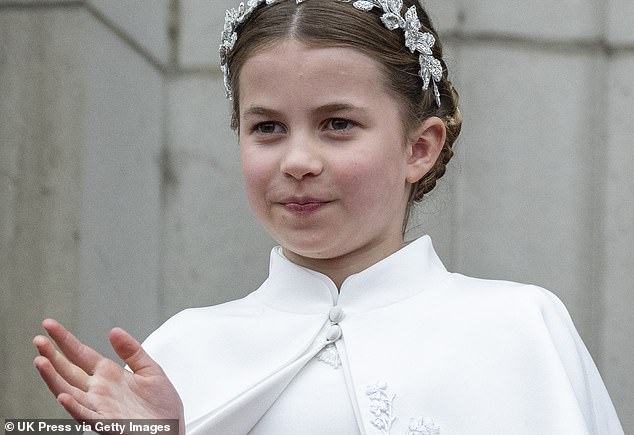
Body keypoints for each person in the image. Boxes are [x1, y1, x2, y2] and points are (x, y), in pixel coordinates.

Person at [33, 0, 625, 434]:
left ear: (419, 147)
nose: (297, 161)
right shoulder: (180, 353)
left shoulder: (521, 331)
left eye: (337, 123)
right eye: (267, 127)